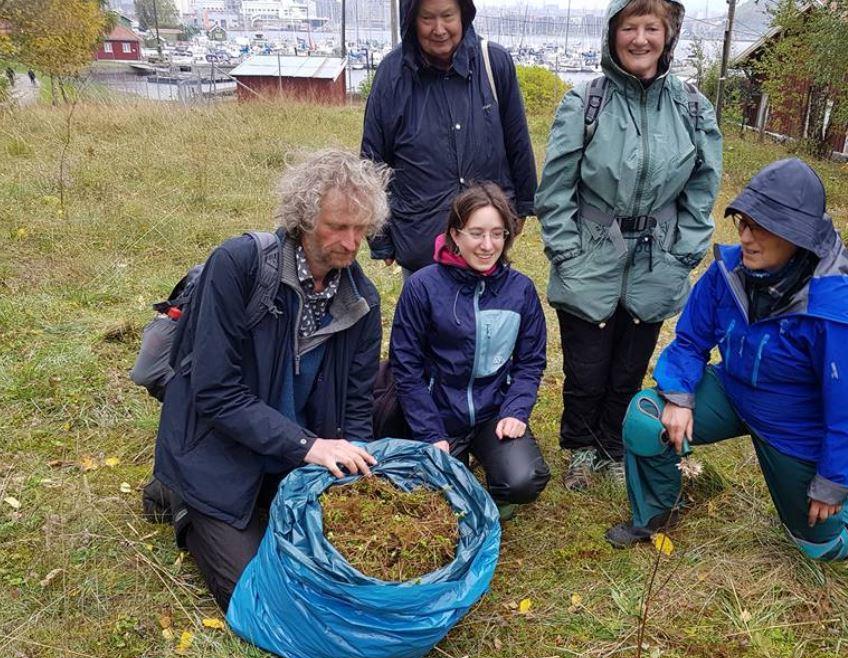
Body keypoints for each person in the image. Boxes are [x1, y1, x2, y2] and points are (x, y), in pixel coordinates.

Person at [605, 158, 848, 561]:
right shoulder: (729, 272)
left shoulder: (840, 308)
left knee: (820, 547)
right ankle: (655, 514)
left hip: (795, 429)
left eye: (762, 227)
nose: (746, 237)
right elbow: (688, 342)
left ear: (798, 235)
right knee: (646, 416)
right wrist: (680, 394)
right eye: (742, 222)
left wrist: (833, 480)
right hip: (733, 394)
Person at [153, 149, 390, 610]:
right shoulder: (239, 266)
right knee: (260, 594)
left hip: (291, 454)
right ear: (303, 218)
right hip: (219, 450)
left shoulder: (361, 300)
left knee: (335, 573)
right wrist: (309, 447)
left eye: (361, 228)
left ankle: (227, 496)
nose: (351, 242)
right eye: (337, 226)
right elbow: (215, 392)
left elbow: (357, 402)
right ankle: (180, 497)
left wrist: (355, 477)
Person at [535, 0, 723, 491]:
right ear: (612, 34)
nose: (640, 39)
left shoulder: (693, 107)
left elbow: (704, 187)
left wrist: (683, 254)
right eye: (629, 27)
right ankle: (580, 447)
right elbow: (554, 189)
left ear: (668, 35)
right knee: (587, 364)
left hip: (657, 255)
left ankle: (613, 446)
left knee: (630, 361)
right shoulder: (585, 103)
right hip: (591, 250)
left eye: (652, 28)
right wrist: (566, 251)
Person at [381, 183, 550, 520]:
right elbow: (406, 366)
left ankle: (494, 495)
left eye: (497, 234)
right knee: (437, 505)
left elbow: (531, 361)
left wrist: (515, 410)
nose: (488, 245)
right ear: (455, 235)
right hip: (437, 414)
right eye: (476, 233)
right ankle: (453, 474)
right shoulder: (423, 287)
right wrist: (430, 432)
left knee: (524, 481)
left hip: (492, 413)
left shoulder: (520, 291)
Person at [361, 0, 537, 279]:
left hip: (486, 242)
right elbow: (372, 161)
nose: (439, 29)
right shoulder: (391, 74)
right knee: (425, 319)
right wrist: (380, 240)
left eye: (448, 16)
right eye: (428, 18)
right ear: (411, 20)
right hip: (421, 245)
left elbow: (518, 144)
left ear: (463, 15)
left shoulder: (495, 62)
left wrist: (521, 208)